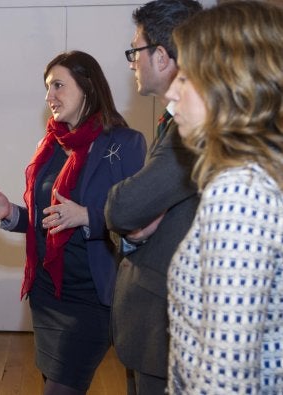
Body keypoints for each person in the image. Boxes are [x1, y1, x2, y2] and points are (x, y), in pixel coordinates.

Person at [0, 50, 146, 395]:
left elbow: (139, 220)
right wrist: (11, 214)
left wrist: (88, 217)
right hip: (47, 292)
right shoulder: (49, 146)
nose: (49, 96)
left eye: (58, 86)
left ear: (88, 87)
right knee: (52, 382)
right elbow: (47, 221)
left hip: (91, 296)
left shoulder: (125, 143)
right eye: (47, 87)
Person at [164, 1, 283, 393]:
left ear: (228, 83)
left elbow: (224, 378)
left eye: (184, 78)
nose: (171, 92)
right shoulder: (258, 179)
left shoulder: (239, 192)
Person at [103, 1, 202, 394]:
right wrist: (131, 231)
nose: (131, 62)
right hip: (151, 326)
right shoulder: (173, 119)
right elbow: (129, 217)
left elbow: (122, 206)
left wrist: (127, 219)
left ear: (161, 56)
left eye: (135, 51)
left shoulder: (191, 127)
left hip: (168, 325)